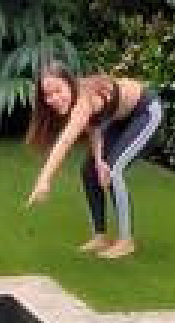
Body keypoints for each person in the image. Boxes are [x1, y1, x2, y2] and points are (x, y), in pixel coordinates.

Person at [23, 63, 163, 261]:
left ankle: (126, 240)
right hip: (117, 119)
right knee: (89, 172)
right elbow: (95, 127)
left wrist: (44, 180)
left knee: (114, 169)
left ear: (70, 84)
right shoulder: (79, 102)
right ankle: (100, 236)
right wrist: (98, 160)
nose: (54, 98)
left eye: (58, 90)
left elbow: (65, 142)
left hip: (144, 112)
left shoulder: (82, 101)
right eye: (48, 95)